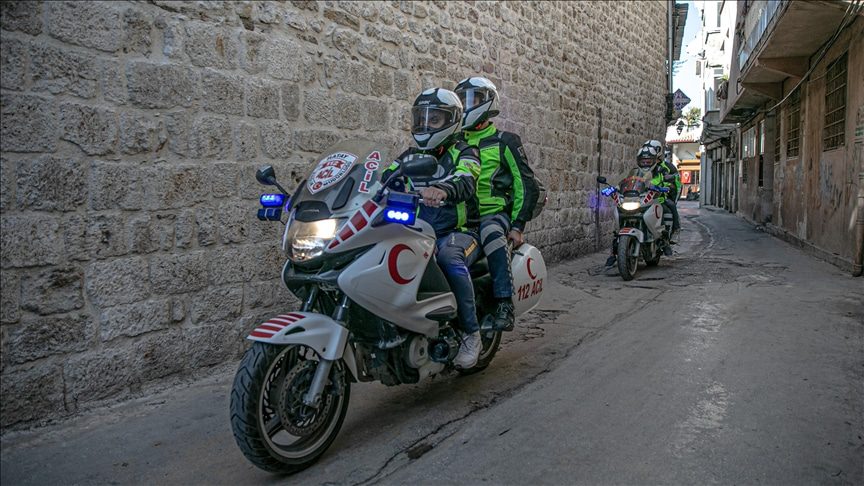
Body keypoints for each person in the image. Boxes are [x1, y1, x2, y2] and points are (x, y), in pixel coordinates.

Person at [384, 87, 484, 368]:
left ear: (452, 121)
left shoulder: (465, 151)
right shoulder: (409, 155)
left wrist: (442, 188)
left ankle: (470, 334)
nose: (426, 125)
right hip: (416, 232)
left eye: (435, 120)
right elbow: (385, 176)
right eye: (421, 119)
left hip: (458, 233)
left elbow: (466, 178)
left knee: (449, 260)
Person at [454, 76, 540, 332]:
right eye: (463, 100)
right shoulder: (455, 141)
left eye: (474, 99)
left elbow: (526, 184)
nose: (468, 105)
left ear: (488, 103)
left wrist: (517, 225)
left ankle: (504, 303)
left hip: (493, 214)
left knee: (492, 234)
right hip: (459, 216)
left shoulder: (505, 141)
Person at [605, 140, 674, 267]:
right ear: (638, 161)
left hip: (657, 197)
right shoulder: (635, 171)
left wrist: (665, 186)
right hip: (637, 198)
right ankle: (613, 253)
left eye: (648, 161)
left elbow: (671, 181)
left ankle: (665, 241)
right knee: (617, 225)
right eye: (643, 161)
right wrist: (614, 187)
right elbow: (625, 181)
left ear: (654, 160)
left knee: (668, 209)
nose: (645, 163)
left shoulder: (661, 169)